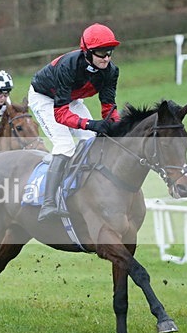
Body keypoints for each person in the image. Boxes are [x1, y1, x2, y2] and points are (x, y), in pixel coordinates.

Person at [28, 23, 121, 222]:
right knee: (65, 144)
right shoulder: (68, 66)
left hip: (71, 99)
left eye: (110, 52)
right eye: (102, 53)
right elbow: (61, 115)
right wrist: (91, 124)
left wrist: (120, 128)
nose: (107, 58)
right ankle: (48, 203)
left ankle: (84, 190)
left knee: (90, 140)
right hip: (44, 98)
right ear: (87, 52)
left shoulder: (111, 71)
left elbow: (109, 108)